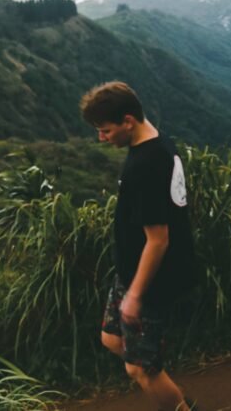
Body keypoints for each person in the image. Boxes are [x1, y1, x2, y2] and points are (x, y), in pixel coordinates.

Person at [80, 81, 197, 411]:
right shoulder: (156, 142)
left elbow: (159, 241)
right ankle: (168, 389)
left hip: (150, 283)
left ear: (128, 121)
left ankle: (176, 402)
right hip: (130, 271)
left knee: (140, 369)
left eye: (105, 130)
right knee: (111, 339)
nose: (101, 138)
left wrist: (134, 296)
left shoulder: (145, 166)